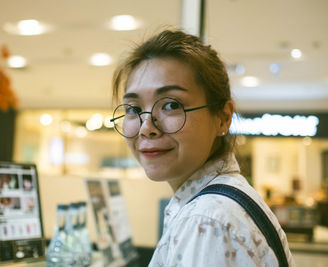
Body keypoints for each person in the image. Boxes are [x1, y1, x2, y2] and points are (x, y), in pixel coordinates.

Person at [111, 29, 294, 266]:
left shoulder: (207, 220)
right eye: (133, 109)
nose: (147, 128)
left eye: (171, 105)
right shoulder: (214, 205)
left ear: (223, 117)